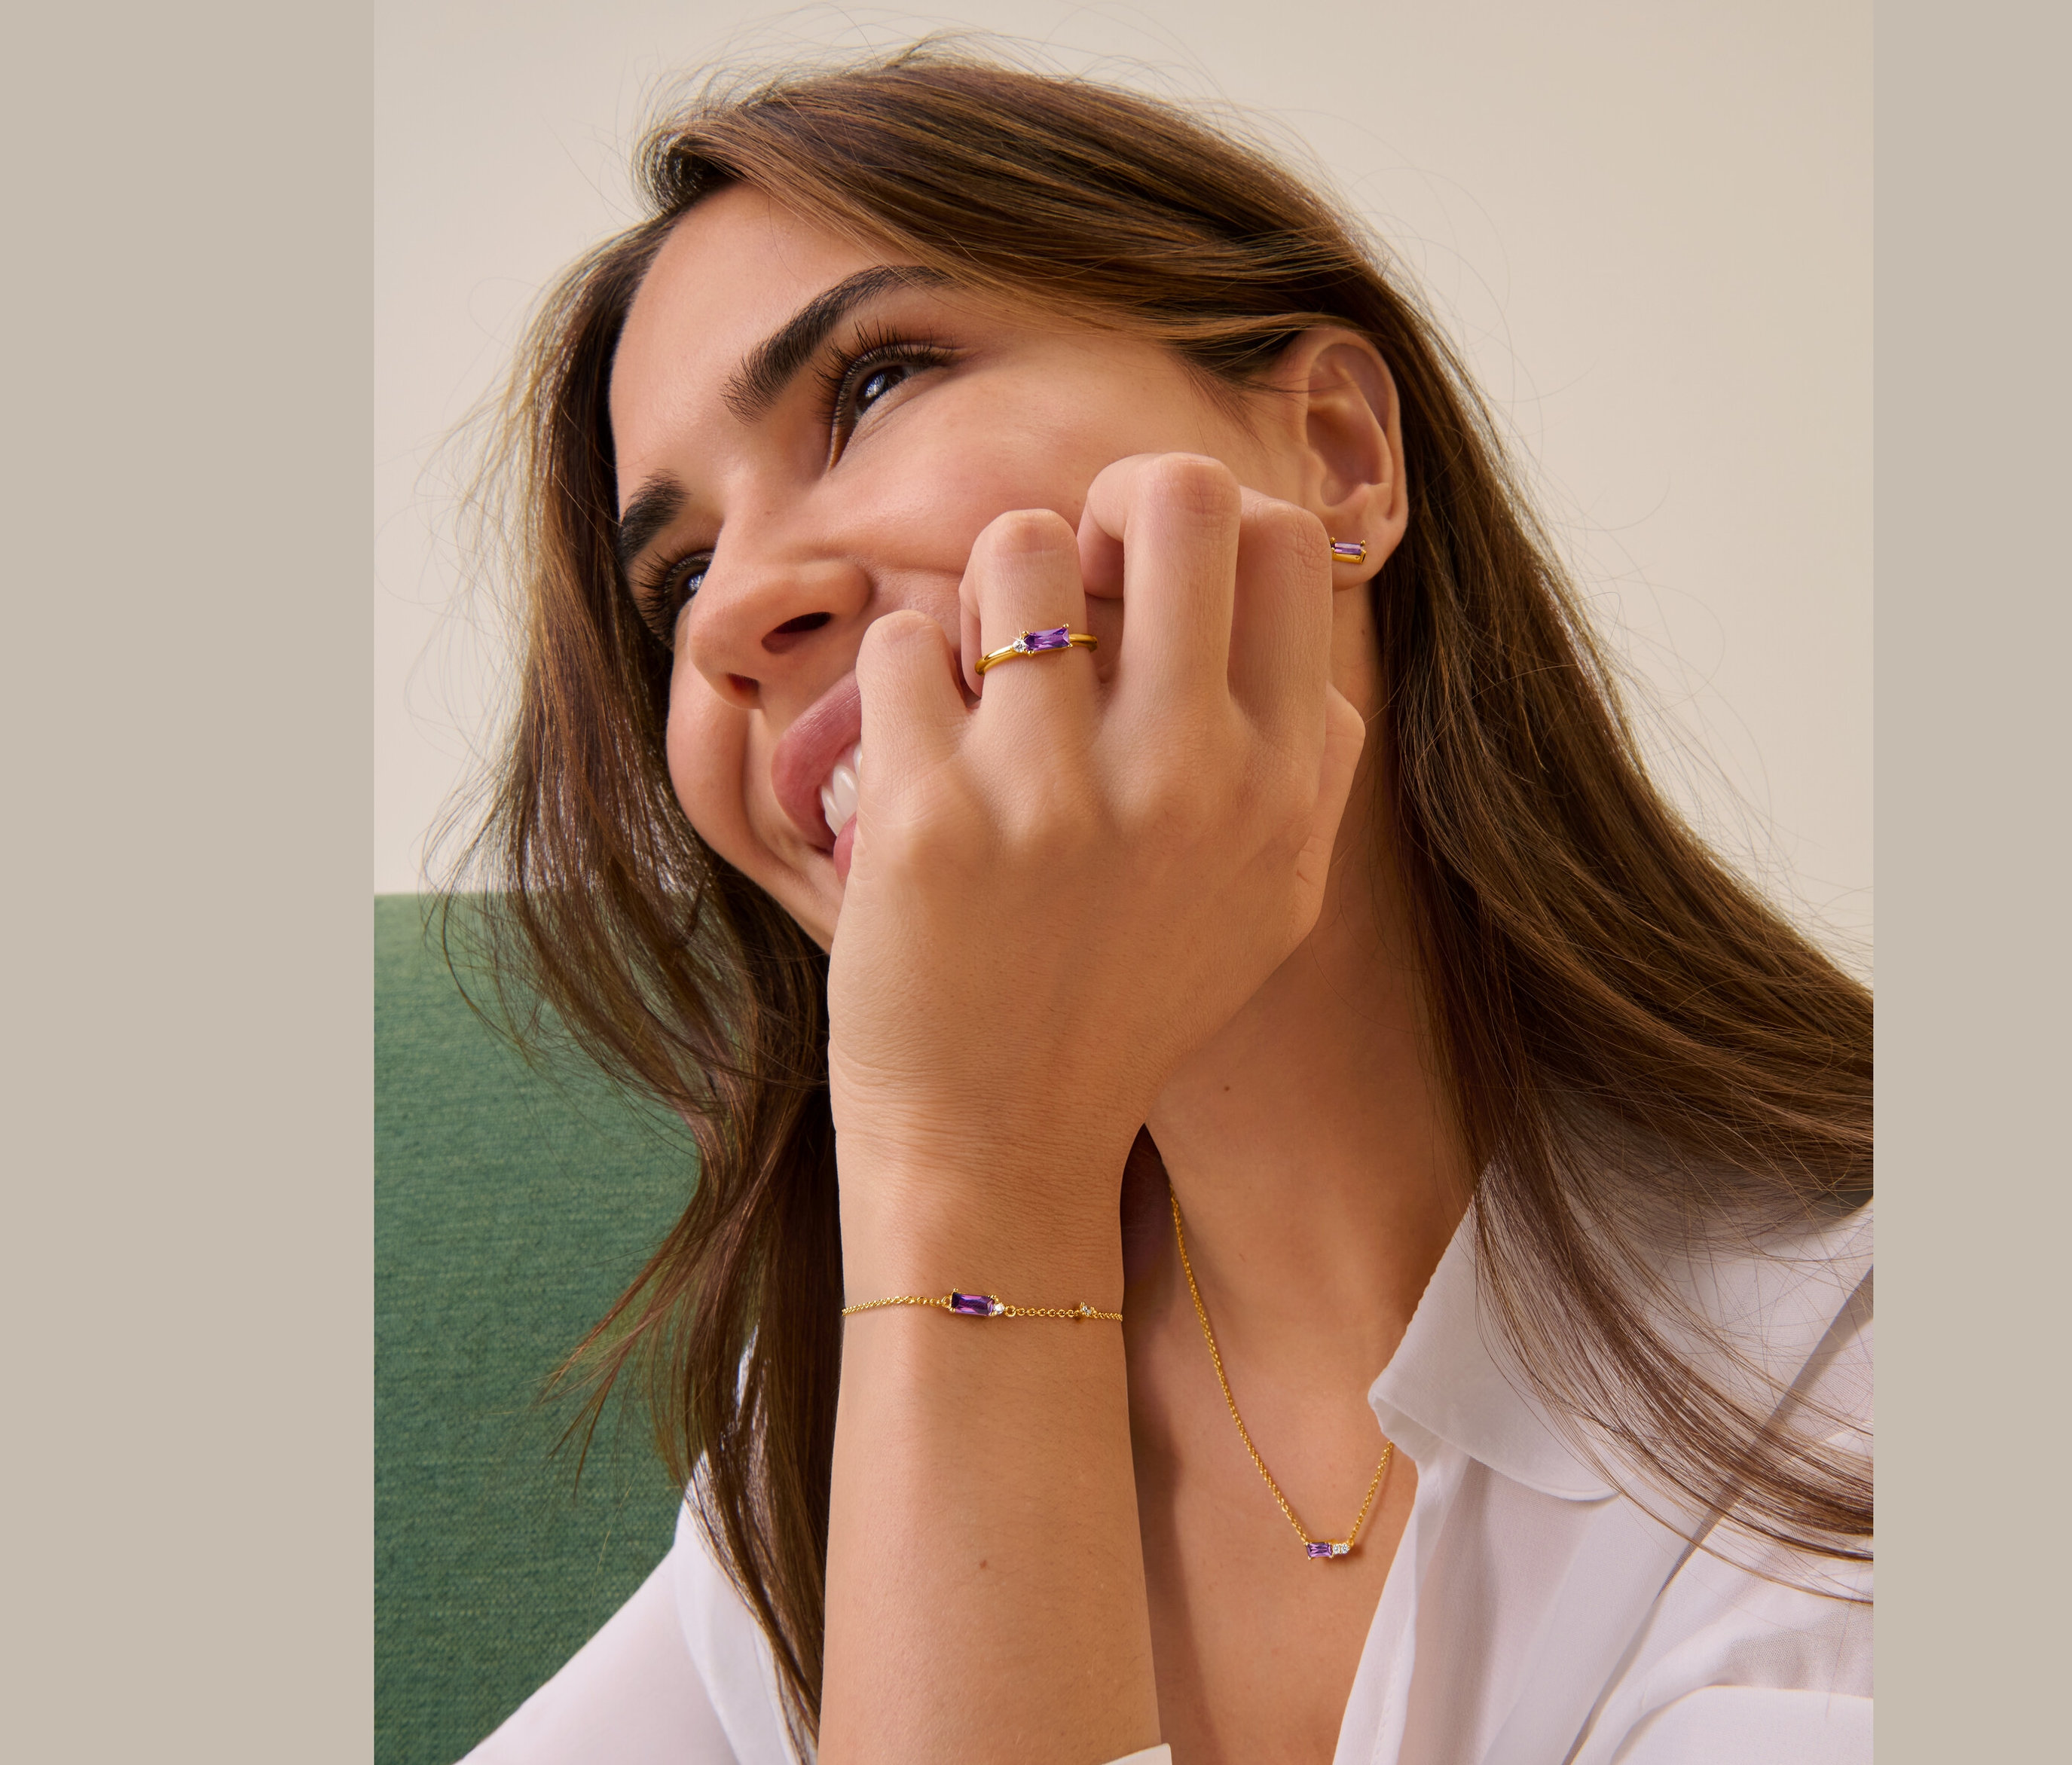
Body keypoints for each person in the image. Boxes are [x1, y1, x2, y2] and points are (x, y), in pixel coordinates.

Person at [451, 44, 1872, 1765]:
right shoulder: (830, 1413)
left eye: (878, 383)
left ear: (1337, 455)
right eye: (674, 578)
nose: (738, 603)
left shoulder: (1860, 1352)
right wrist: (974, 1196)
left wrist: (981, 1175)